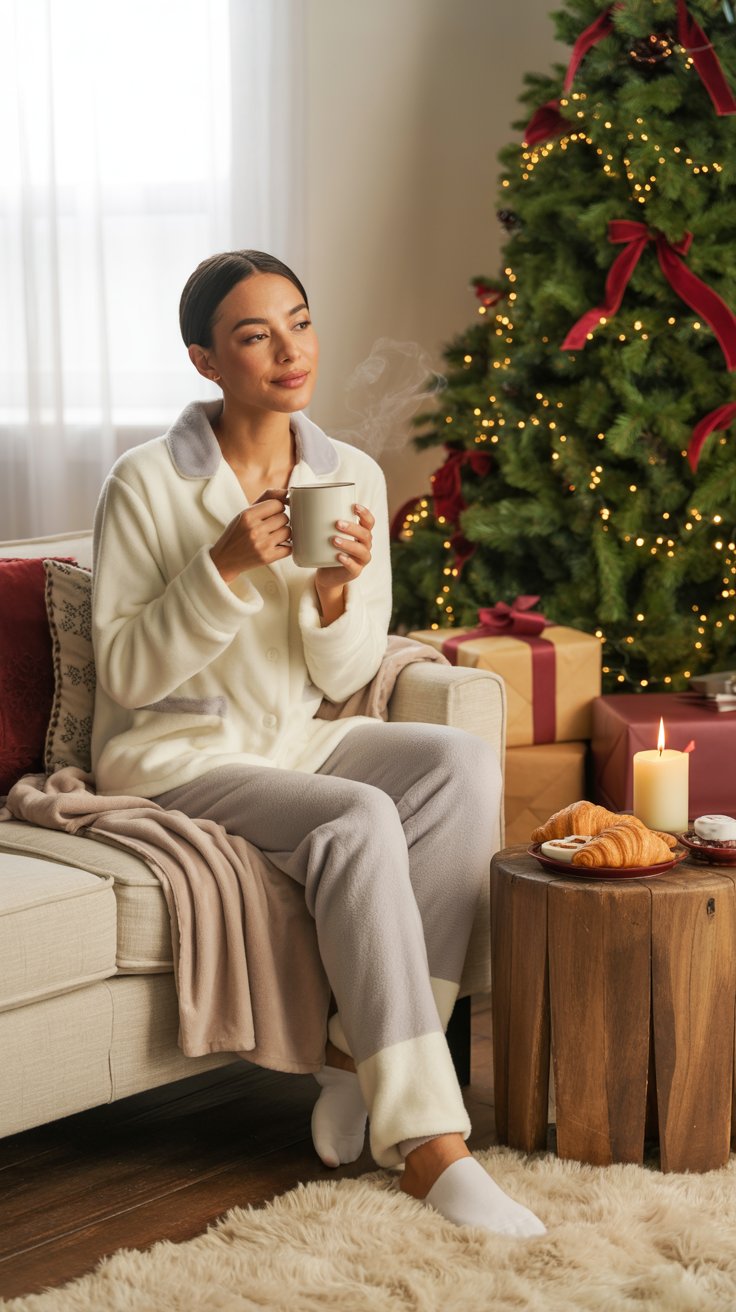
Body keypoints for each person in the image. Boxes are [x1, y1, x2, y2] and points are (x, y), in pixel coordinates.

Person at [90, 249, 545, 1239]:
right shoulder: (144, 483)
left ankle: (353, 1060)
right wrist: (220, 567)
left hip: (295, 735)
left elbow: (343, 677)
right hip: (178, 755)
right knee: (356, 816)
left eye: (298, 321)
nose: (288, 349)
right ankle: (427, 1142)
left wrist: (334, 594)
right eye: (255, 334)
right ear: (207, 360)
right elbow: (125, 673)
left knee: (458, 761)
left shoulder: (349, 476)